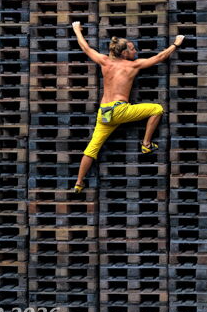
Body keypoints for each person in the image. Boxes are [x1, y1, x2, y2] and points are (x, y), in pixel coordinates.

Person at [71, 21, 184, 193]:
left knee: (91, 149)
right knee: (157, 109)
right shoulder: (132, 65)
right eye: (132, 49)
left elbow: (85, 48)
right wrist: (176, 44)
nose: (135, 51)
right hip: (119, 110)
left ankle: (79, 183)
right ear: (124, 53)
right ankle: (146, 144)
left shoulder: (104, 61)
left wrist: (76, 30)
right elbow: (159, 58)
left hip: (104, 112)